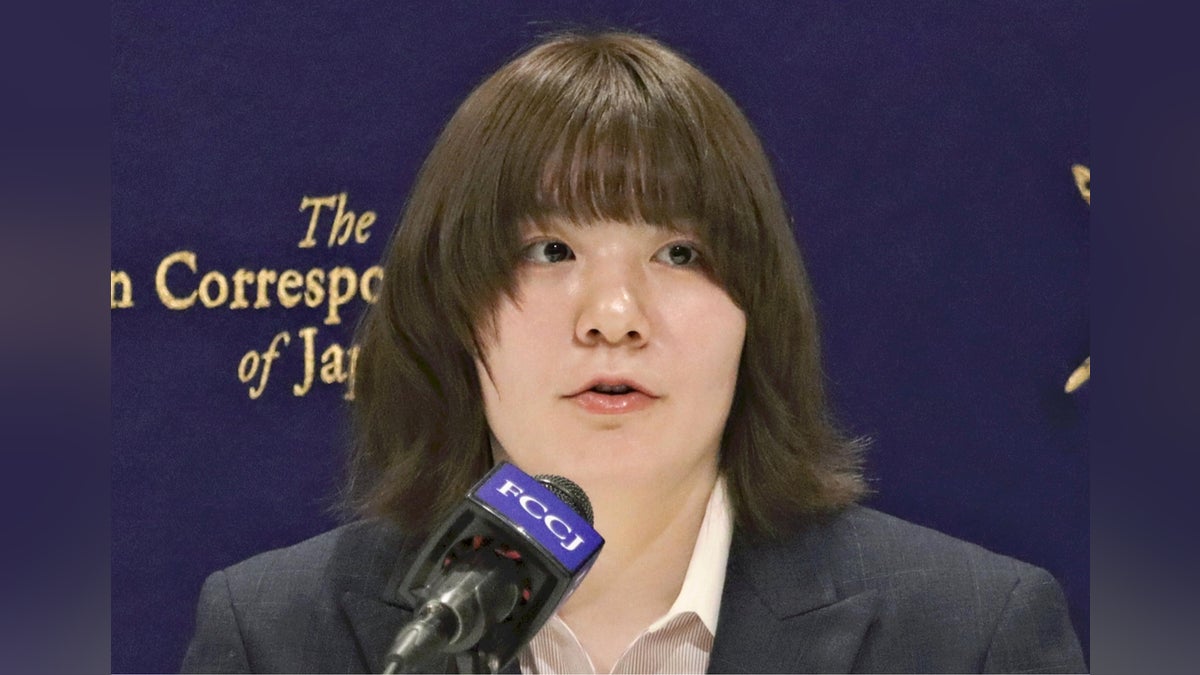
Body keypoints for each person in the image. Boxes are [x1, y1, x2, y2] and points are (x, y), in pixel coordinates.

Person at [181, 31, 1085, 674]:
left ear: (756, 312)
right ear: (451, 304)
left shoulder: (967, 637)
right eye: (550, 251)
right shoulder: (277, 637)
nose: (614, 317)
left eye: (679, 253)